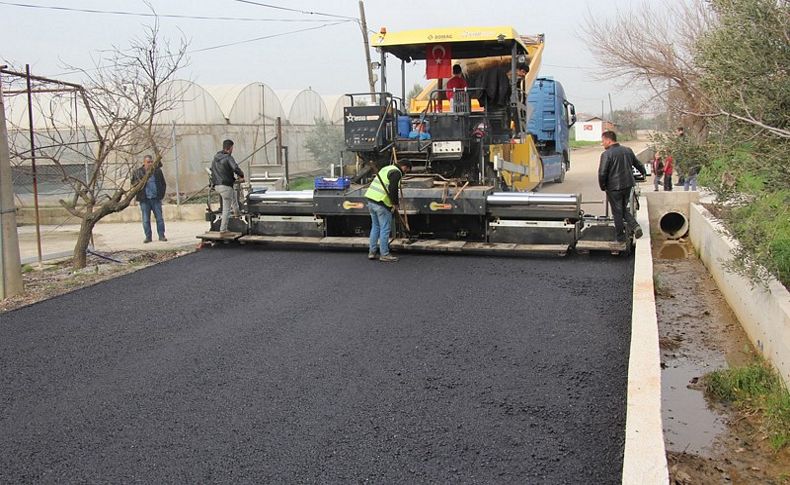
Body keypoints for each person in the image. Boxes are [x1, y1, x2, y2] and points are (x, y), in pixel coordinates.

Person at [598, 130, 646, 242]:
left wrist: (603, 186)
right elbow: (638, 164)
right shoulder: (627, 151)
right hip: (628, 185)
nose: (602, 143)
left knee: (617, 212)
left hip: (614, 188)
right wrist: (643, 173)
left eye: (603, 141)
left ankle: (620, 237)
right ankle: (635, 226)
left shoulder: (606, 154)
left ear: (609, 140)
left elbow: (602, 173)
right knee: (623, 209)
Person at [365, 160, 412, 262]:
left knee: (375, 227)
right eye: (407, 170)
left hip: (371, 200)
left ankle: (372, 252)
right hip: (381, 202)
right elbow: (393, 188)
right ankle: (384, 254)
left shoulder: (386, 168)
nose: (405, 173)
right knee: (385, 229)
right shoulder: (396, 172)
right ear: (404, 167)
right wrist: (395, 204)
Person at [210, 139, 245, 234]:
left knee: (232, 194)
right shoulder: (228, 157)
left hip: (217, 185)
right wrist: (241, 175)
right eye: (233, 148)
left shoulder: (215, 158)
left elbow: (211, 170)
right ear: (230, 148)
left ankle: (237, 213)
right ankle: (223, 229)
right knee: (226, 209)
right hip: (225, 185)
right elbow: (235, 168)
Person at [131, 154, 167, 243]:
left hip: (156, 199)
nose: (150, 164)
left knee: (159, 219)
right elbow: (133, 184)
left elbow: (163, 184)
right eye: (148, 162)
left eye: (151, 162)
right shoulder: (138, 172)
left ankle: (161, 236)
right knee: (146, 220)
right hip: (144, 200)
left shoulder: (157, 171)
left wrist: (161, 195)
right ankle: (148, 237)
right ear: (144, 163)